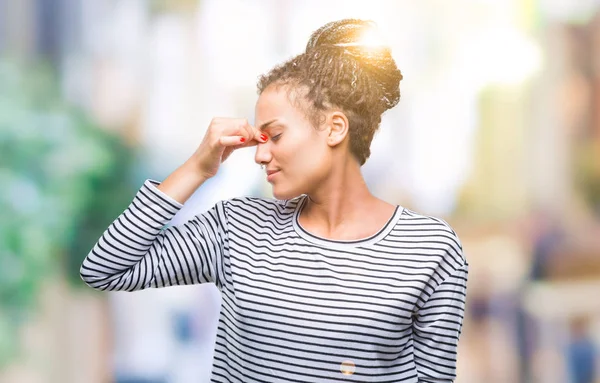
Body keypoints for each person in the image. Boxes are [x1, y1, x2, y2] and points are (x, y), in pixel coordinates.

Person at [81, 19, 468, 383]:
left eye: (275, 136)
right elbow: (105, 269)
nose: (259, 155)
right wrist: (197, 168)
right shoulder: (237, 228)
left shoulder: (430, 249)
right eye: (258, 140)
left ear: (334, 128)